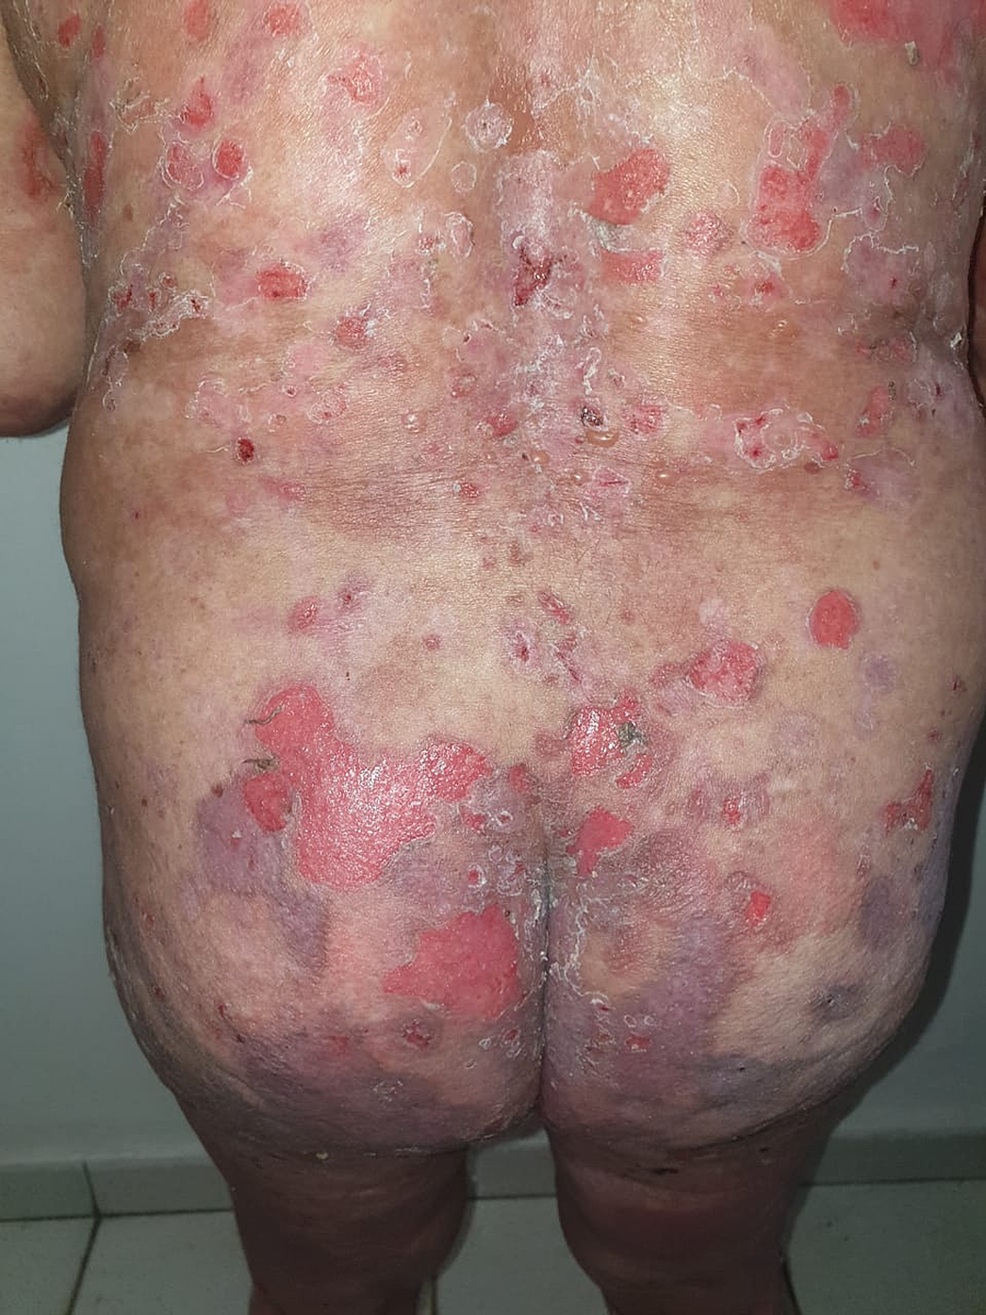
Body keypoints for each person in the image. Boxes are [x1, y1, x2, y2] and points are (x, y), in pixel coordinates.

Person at [3, 2, 986, 1311]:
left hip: (290, 898)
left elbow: (20, 357)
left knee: (331, 1284)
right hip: (776, 861)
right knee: (696, 1274)